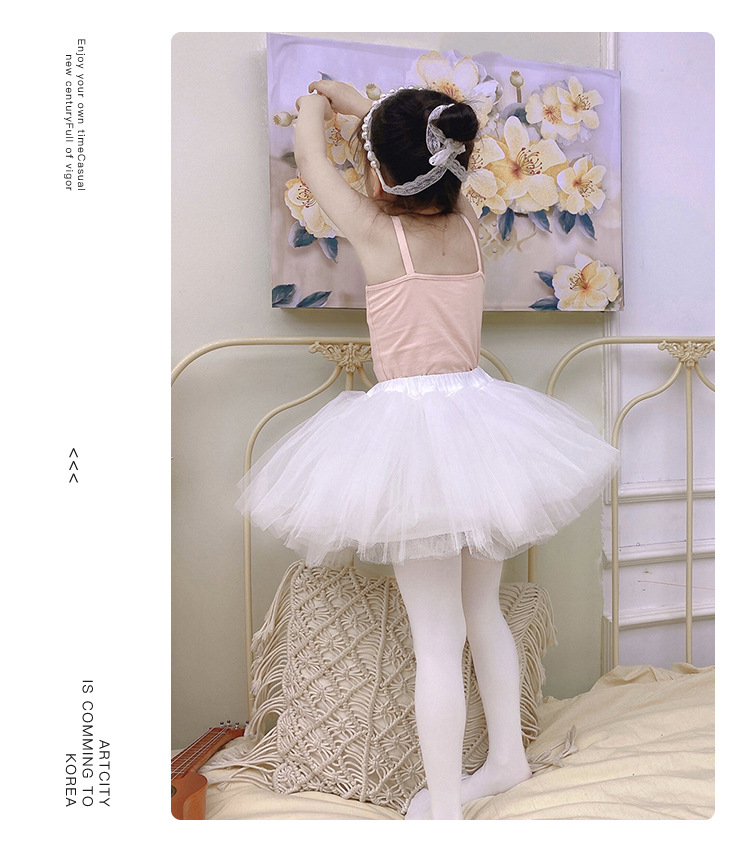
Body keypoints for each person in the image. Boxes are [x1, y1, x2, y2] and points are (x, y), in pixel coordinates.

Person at [237, 80, 620, 819]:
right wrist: (373, 116)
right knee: (484, 613)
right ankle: (505, 759)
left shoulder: (377, 230)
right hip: (479, 424)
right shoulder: (468, 219)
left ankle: (445, 813)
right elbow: (406, 136)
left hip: (414, 438)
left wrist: (316, 98)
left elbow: (313, 159)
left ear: (382, 170)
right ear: (452, 160)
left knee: (436, 641)